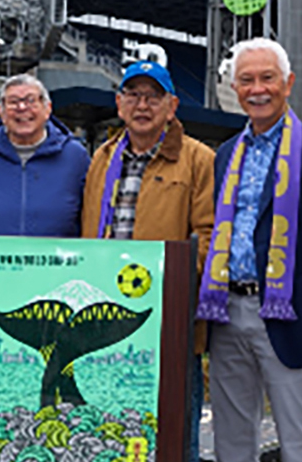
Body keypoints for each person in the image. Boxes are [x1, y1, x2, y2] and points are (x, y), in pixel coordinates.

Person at [196, 39, 302, 462]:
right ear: (235, 88)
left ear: (288, 82)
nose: (257, 89)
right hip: (227, 312)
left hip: (290, 312)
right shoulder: (225, 155)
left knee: (301, 441)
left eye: (267, 78)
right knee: (232, 440)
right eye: (246, 80)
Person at [80, 60, 214, 461]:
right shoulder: (101, 159)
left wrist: (167, 286)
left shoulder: (198, 159)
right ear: (119, 104)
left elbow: (208, 237)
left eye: (153, 96)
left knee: (174, 431)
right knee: (112, 431)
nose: (143, 105)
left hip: (168, 323)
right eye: (133, 95)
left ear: (172, 105)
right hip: (106, 324)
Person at [0, 74, 90, 236]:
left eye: (31, 100)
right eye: (13, 102)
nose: (22, 108)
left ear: (47, 108)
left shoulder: (75, 157)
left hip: (58, 259)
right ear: (1, 112)